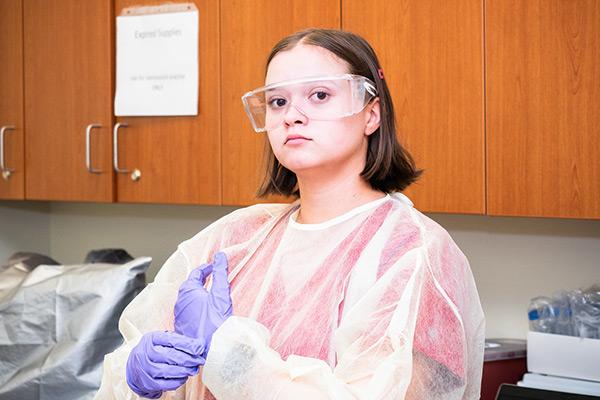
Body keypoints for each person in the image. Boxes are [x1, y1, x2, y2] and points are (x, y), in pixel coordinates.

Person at [95, 28, 485, 400]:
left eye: (319, 95)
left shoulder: (412, 252)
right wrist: (138, 376)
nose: (291, 115)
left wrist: (229, 352)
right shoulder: (236, 239)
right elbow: (135, 364)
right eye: (278, 101)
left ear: (371, 114)